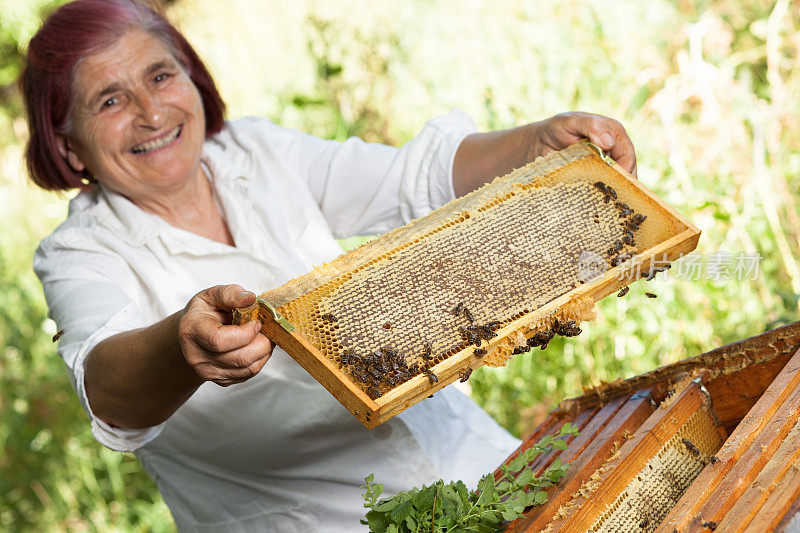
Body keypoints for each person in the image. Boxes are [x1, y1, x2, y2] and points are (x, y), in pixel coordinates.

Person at [24, 0, 637, 530]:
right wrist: (179, 347)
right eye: (109, 100)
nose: (152, 113)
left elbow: (409, 178)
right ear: (67, 140)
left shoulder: (256, 150)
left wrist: (532, 144)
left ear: (192, 78)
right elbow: (109, 394)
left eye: (160, 76)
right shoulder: (78, 253)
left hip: (488, 470)